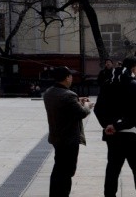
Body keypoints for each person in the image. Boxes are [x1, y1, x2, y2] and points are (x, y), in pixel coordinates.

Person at [95, 56, 136, 197]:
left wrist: (108, 125)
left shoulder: (107, 83)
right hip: (134, 135)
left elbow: (97, 109)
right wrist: (118, 126)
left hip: (113, 136)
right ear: (135, 68)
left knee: (112, 170)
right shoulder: (135, 85)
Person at [44, 66, 91, 197]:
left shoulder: (49, 92)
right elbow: (82, 113)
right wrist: (86, 105)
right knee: (67, 172)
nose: (71, 79)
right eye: (70, 76)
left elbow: (64, 107)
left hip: (56, 137)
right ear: (67, 78)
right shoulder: (69, 95)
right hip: (69, 139)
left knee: (58, 169)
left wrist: (77, 101)